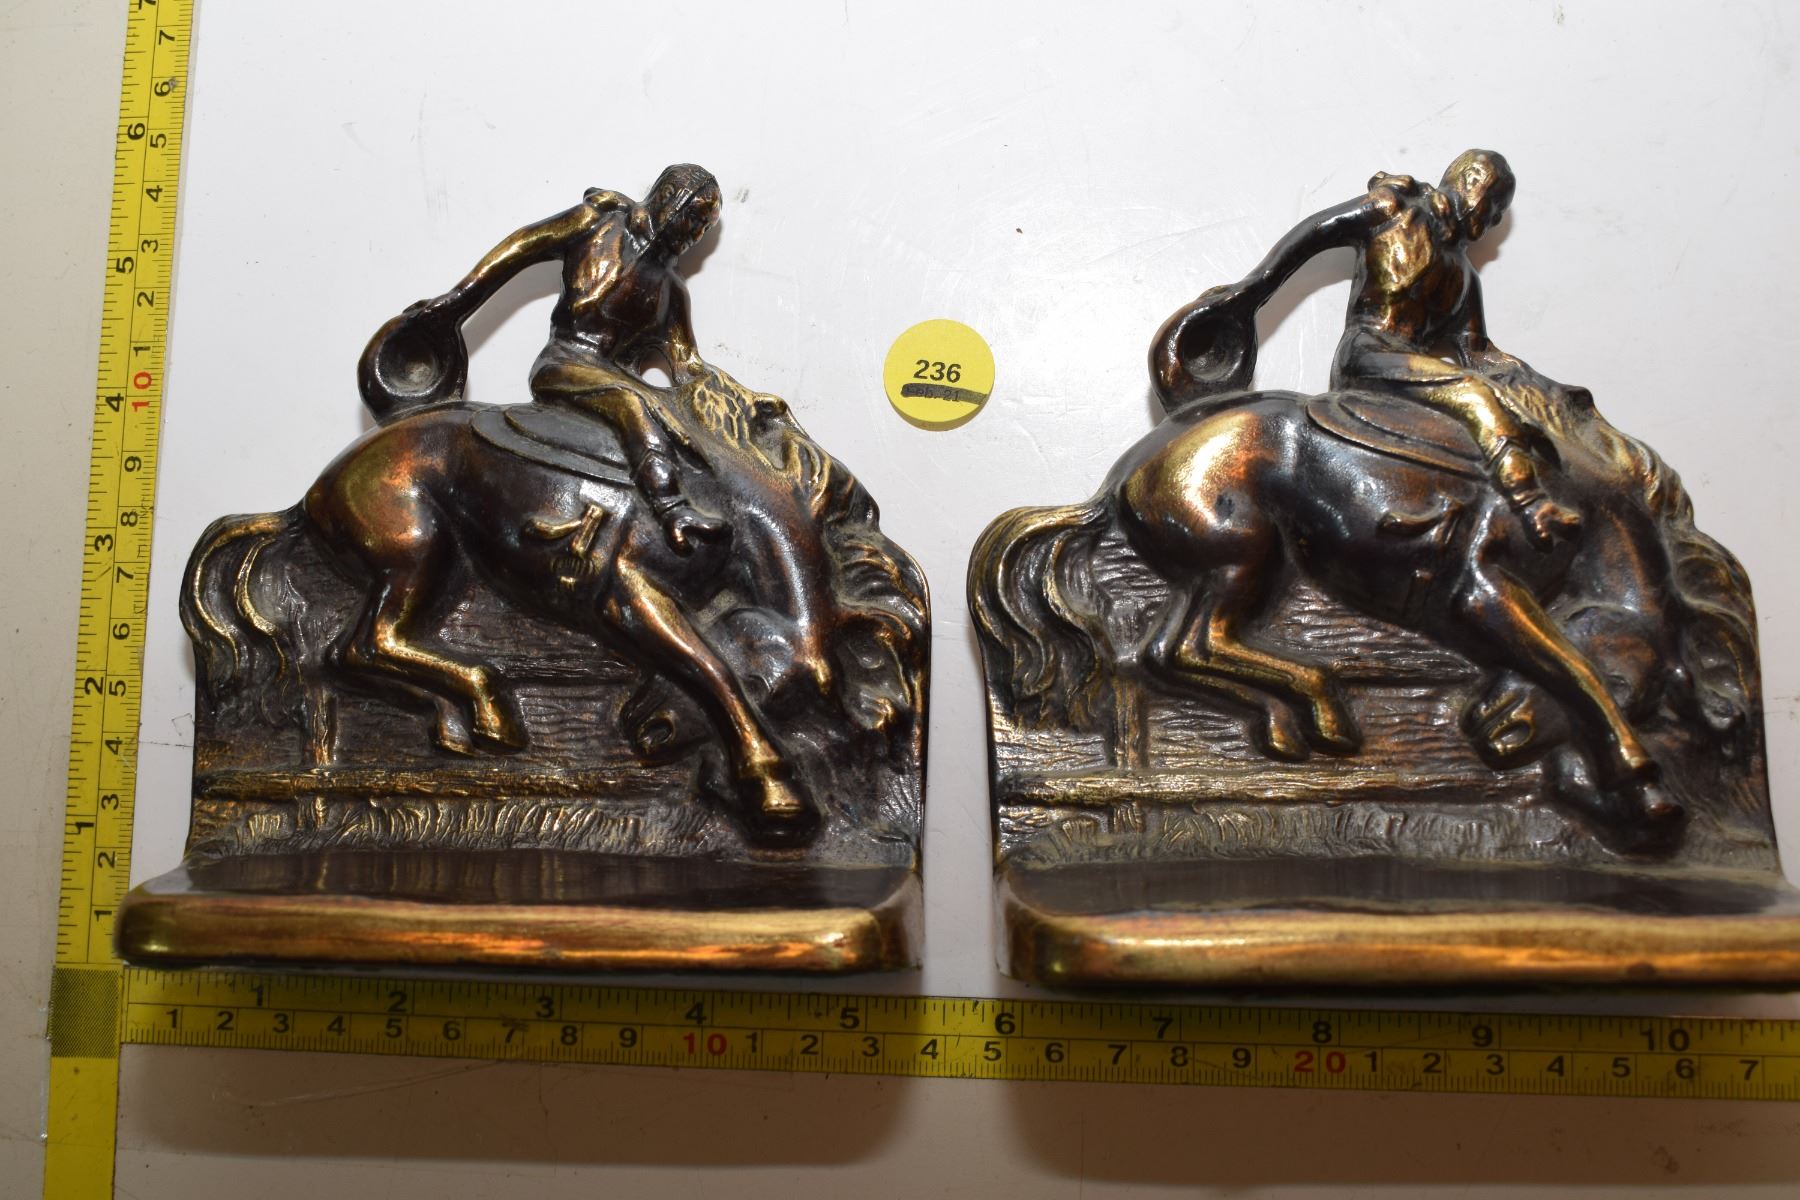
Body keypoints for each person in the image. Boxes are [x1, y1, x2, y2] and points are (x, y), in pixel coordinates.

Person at [1222, 149, 1580, 548]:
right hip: (1367, 354)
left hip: (1414, 371)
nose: (1492, 222)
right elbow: (1315, 233)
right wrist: (1254, 290)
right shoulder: (1395, 209)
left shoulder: (1464, 278)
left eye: (1499, 216)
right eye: (1494, 206)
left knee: (1483, 407)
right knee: (1472, 393)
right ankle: (1529, 502)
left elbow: (1478, 353)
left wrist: (1544, 391)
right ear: (1472, 180)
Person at [415, 164, 728, 553]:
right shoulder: (598, 223)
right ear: (669, 198)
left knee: (675, 425)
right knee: (631, 404)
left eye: (704, 229)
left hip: (617, 377)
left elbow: (688, 365)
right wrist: (458, 301)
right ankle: (672, 508)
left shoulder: (672, 292)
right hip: (565, 362)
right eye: (695, 219)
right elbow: (522, 247)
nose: (696, 234)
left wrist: (739, 404)